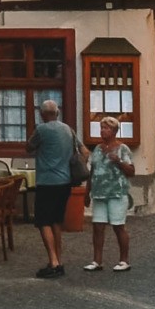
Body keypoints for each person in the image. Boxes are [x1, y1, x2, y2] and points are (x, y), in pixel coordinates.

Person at [30, 98, 78, 279]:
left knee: (43, 221)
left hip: (47, 181)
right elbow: (79, 150)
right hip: (65, 181)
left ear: (42, 114)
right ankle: (59, 259)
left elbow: (29, 147)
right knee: (56, 221)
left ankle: (53, 262)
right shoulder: (68, 129)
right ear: (57, 113)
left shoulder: (41, 129)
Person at [84, 118, 135, 272]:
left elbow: (131, 171)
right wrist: (87, 192)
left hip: (116, 193)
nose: (102, 130)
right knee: (97, 226)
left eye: (106, 128)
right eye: (101, 127)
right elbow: (92, 172)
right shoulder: (98, 149)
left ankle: (124, 260)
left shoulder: (122, 148)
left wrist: (118, 161)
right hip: (99, 193)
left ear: (114, 131)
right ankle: (97, 260)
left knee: (118, 226)